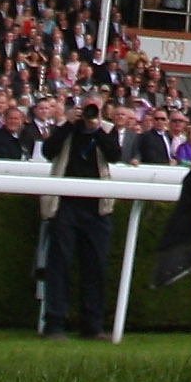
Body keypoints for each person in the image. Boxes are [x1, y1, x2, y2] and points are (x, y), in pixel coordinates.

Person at [39, 101, 123, 340]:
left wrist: (95, 128)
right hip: (65, 205)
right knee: (59, 265)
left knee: (96, 266)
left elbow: (114, 156)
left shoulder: (107, 129)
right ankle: (54, 324)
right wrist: (67, 123)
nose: (89, 113)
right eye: (86, 108)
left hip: (97, 208)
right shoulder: (66, 128)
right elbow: (48, 152)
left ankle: (92, 326)